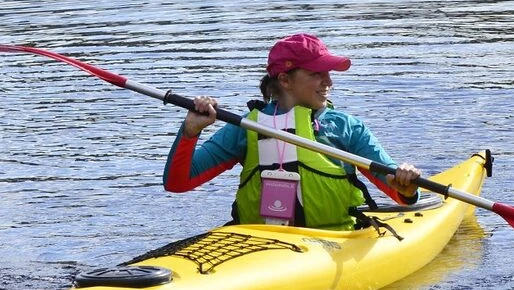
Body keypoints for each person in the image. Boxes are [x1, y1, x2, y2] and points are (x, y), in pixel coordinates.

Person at [163, 33, 419, 229]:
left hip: (336, 241)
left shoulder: (346, 127)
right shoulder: (246, 127)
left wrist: (406, 187)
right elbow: (177, 183)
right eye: (316, 73)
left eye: (328, 73)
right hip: (261, 243)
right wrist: (190, 132)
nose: (328, 81)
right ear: (285, 80)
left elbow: (396, 190)